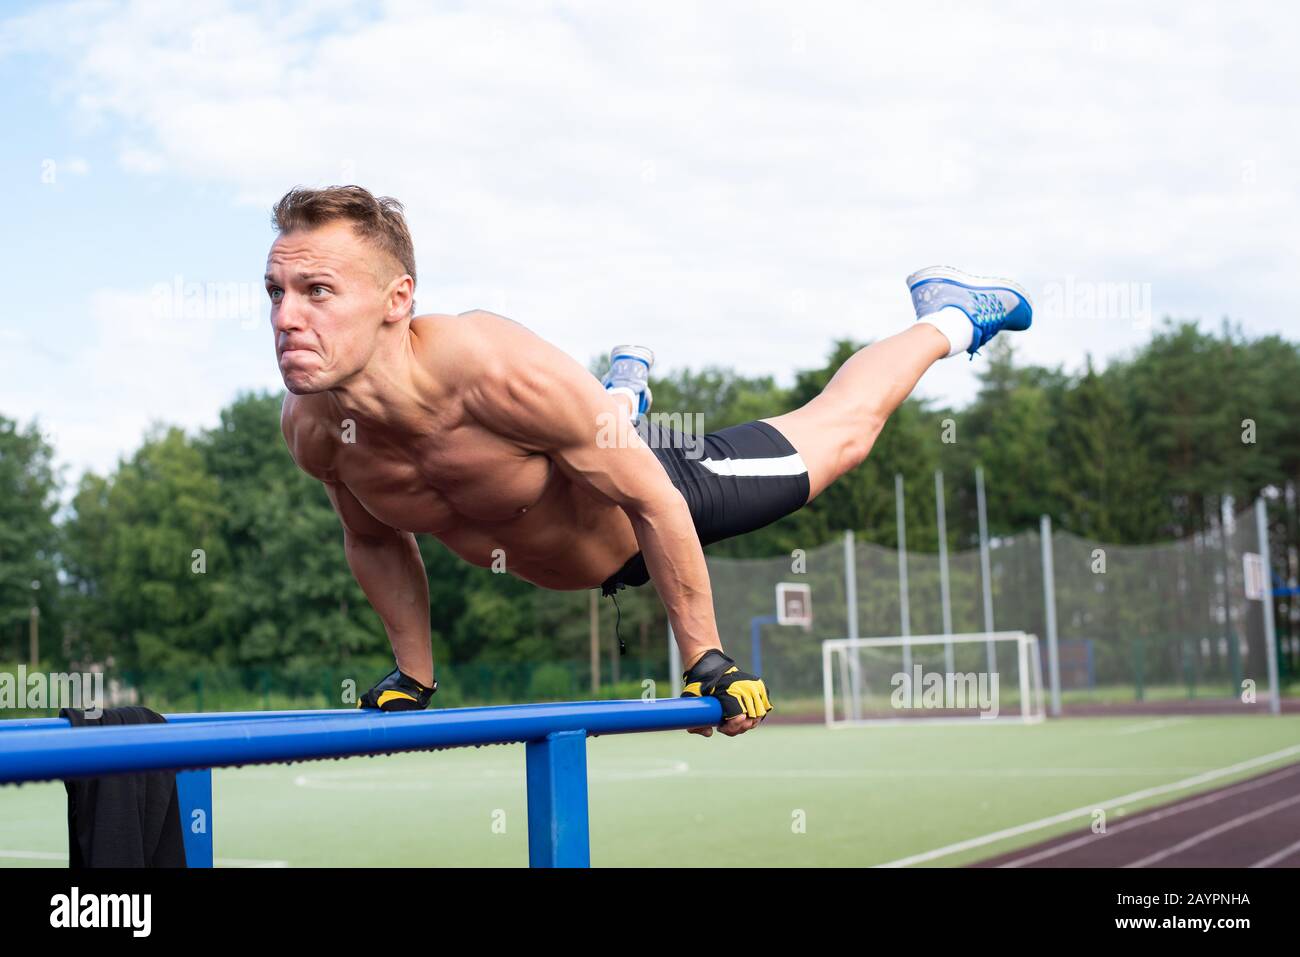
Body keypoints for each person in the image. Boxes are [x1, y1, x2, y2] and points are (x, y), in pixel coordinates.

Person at [270, 185, 1032, 737]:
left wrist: (705, 659)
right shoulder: (313, 430)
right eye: (275, 292)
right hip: (583, 477)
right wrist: (413, 672)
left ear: (397, 299)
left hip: (661, 493)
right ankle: (619, 400)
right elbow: (373, 537)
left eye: (318, 291)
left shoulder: (495, 372)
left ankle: (951, 316)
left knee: (843, 434)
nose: (286, 317)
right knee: (592, 435)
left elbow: (654, 500)